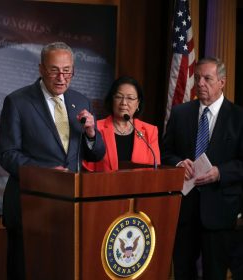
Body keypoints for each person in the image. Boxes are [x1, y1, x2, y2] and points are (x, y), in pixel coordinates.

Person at [0, 41, 105, 279]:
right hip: (30, 207)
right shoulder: (18, 101)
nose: (61, 77)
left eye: (67, 70)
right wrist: (46, 172)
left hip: (69, 208)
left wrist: (91, 134)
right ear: (41, 69)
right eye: (54, 69)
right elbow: (6, 154)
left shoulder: (81, 101)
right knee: (25, 271)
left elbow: (96, 154)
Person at [162, 57, 243, 280]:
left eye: (207, 78)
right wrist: (179, 163)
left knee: (214, 274)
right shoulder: (180, 113)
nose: (200, 83)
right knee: (182, 272)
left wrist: (221, 172)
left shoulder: (238, 117)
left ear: (222, 82)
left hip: (219, 212)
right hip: (184, 209)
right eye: (197, 78)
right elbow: (164, 153)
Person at [83, 76, 160, 171]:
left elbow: (155, 169)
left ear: (138, 103)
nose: (123, 102)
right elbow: (88, 167)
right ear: (112, 100)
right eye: (119, 97)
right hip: (104, 184)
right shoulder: (95, 128)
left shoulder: (150, 131)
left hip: (140, 185)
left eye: (130, 98)